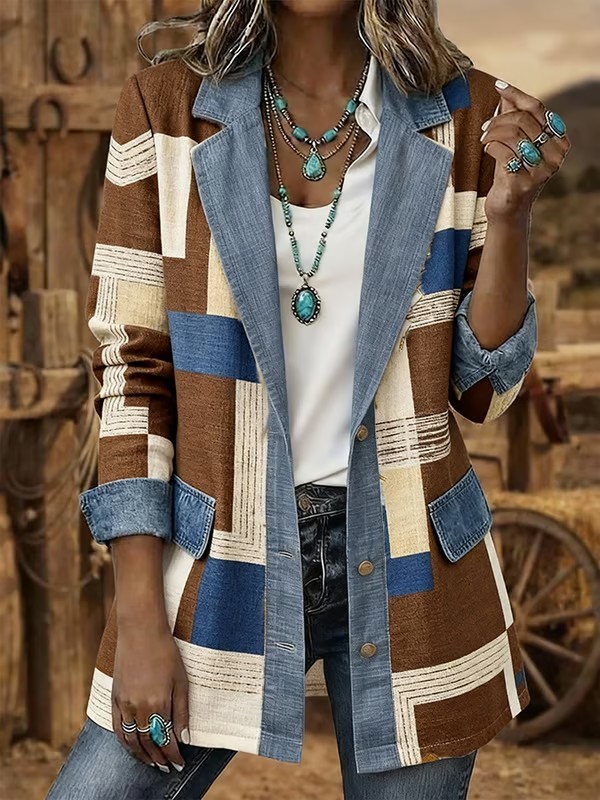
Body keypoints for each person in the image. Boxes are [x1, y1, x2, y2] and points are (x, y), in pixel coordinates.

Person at [47, 1, 570, 798]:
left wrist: (511, 216)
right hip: (219, 557)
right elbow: (133, 371)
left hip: (413, 564)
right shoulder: (167, 106)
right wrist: (141, 621)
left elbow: (480, 386)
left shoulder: (464, 113)